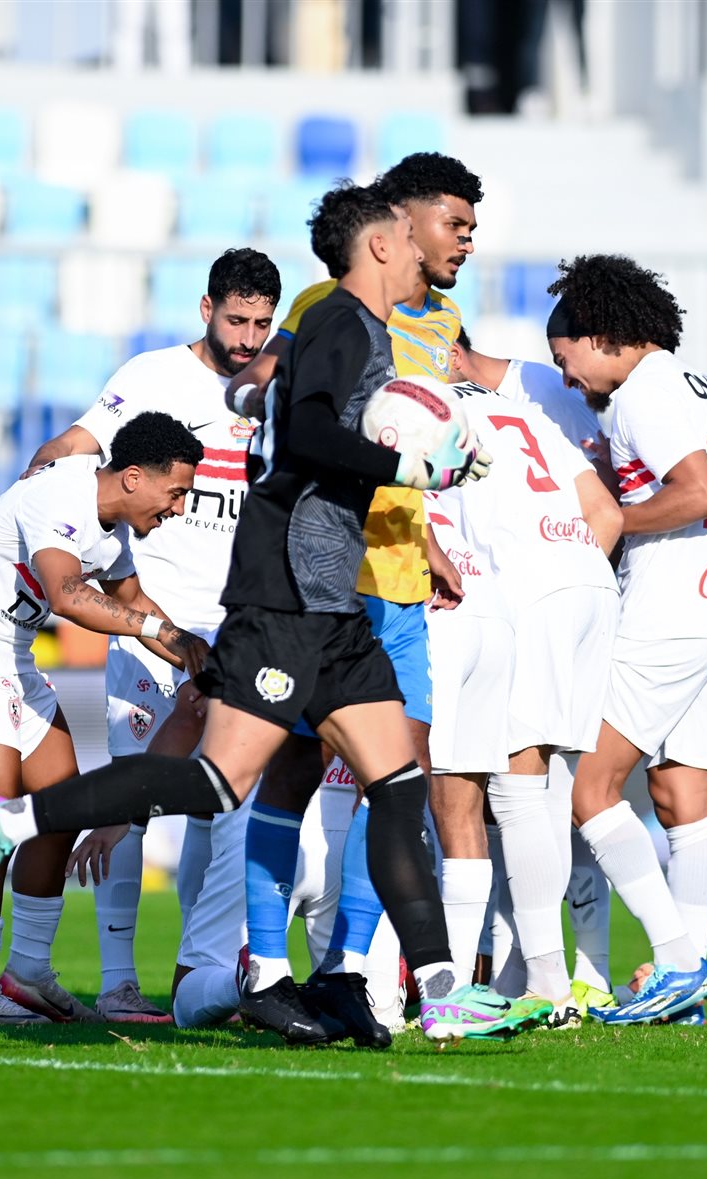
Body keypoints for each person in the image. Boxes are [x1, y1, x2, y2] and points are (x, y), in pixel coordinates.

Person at [0, 182, 548, 1049]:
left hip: (335, 600)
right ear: (380, 244)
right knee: (217, 782)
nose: (426, 249)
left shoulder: (352, 330)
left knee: (397, 786)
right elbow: (307, 437)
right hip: (286, 595)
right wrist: (408, 467)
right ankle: (11, 822)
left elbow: (270, 406)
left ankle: (442, 990)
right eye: (410, 235)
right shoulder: (342, 323)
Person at [223, 153, 483, 1036]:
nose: (462, 242)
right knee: (288, 771)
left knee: (398, 779)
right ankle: (264, 965)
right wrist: (256, 388)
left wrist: (431, 534)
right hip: (330, 576)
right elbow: (277, 396)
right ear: (398, 227)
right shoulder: (324, 307)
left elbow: (420, 426)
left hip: (401, 576)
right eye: (451, 225)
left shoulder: (444, 321)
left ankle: (347, 971)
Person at [23, 248, 281, 1022]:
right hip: (149, 621)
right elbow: (75, 447)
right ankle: (117, 982)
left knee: (226, 800)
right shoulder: (152, 376)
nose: (248, 337)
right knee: (131, 795)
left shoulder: (272, 388)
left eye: (262, 323)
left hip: (235, 629)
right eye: (236, 320)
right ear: (206, 309)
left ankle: (207, 965)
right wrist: (34, 491)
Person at [0, 412, 207, 1024]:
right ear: (133, 477)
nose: (179, 509)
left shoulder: (114, 534)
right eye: (176, 492)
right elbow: (68, 594)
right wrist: (159, 631)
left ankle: (27, 972)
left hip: (10, 657)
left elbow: (132, 601)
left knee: (59, 808)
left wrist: (194, 654)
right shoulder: (62, 493)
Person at [548, 253, 707, 1026]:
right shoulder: (697, 384)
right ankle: (684, 992)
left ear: (600, 334)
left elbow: (699, 493)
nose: (569, 379)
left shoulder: (642, 394)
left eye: (567, 359)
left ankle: (679, 960)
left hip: (666, 613)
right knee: (681, 799)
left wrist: (613, 521)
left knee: (587, 791)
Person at [425, 359, 623, 1030]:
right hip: (591, 582)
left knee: (515, 791)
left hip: (525, 591)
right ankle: (534, 975)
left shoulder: (424, 409)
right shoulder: (525, 411)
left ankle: (548, 982)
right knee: (543, 792)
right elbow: (605, 512)